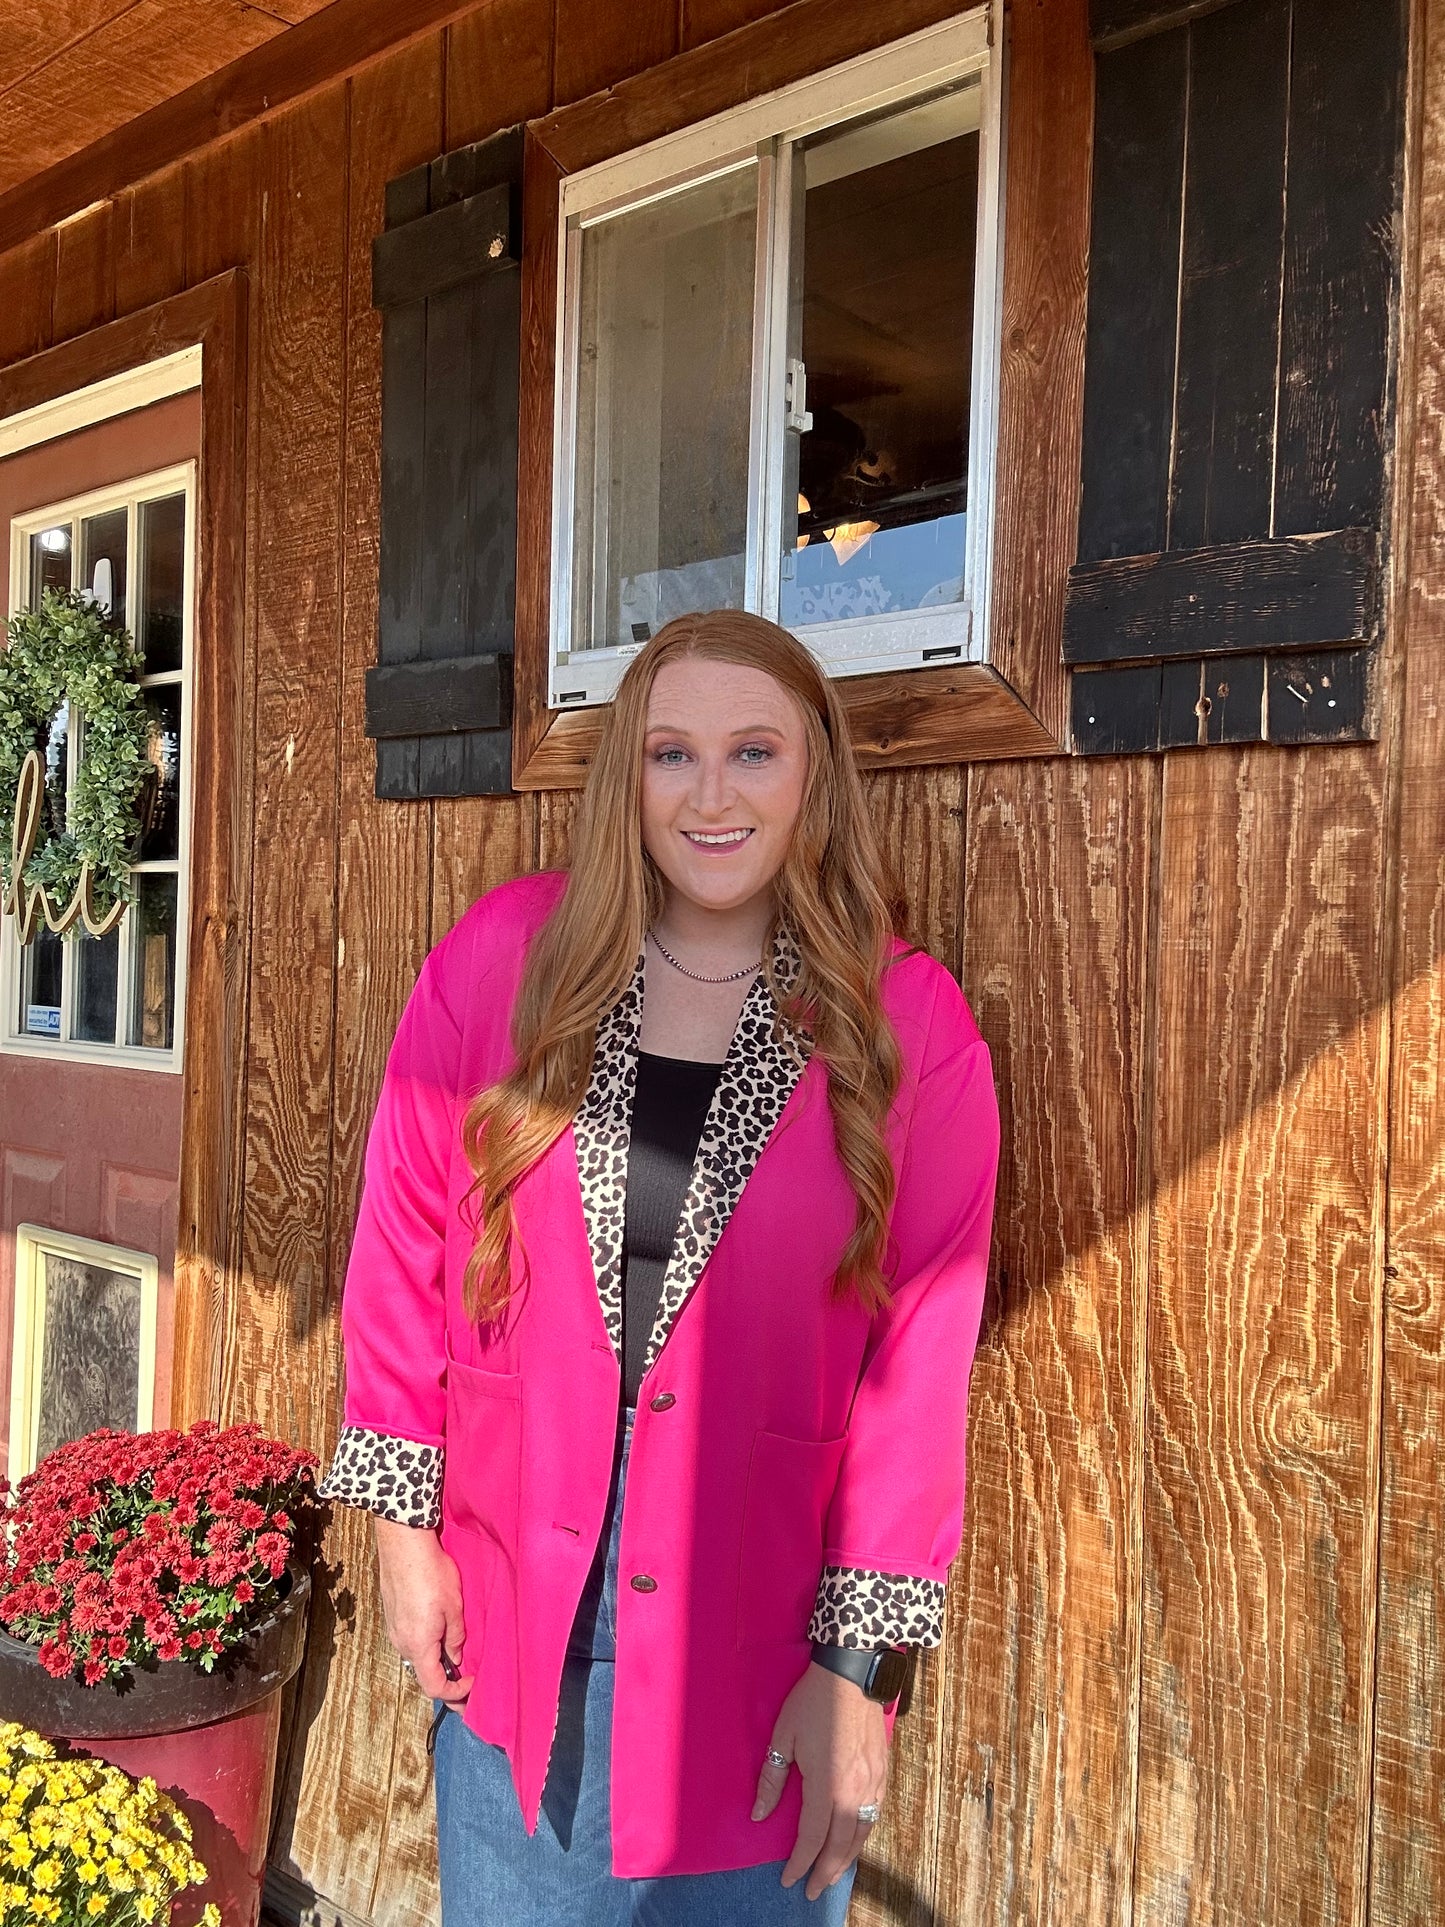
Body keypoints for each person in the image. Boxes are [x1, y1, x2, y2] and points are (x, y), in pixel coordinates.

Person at [318, 609, 1000, 1923]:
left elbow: (919, 1370)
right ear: (627, 774)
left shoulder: (905, 1022)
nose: (710, 795)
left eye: (752, 752)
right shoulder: (506, 960)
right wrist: (405, 1540)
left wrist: (856, 1670)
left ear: (812, 776)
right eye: (670, 754)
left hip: (755, 1632)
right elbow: (402, 1242)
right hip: (516, 1600)